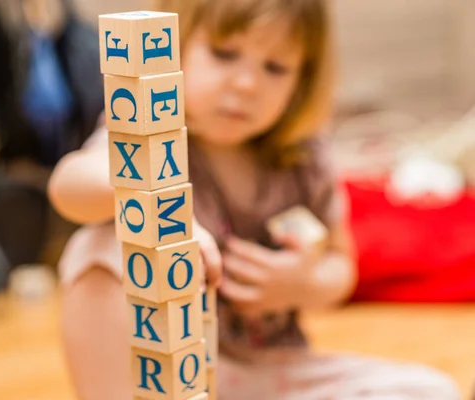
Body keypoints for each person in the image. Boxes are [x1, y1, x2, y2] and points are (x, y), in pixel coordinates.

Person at [47, 0, 460, 398]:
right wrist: (155, 205)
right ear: (173, 45)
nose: (246, 84)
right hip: (166, 376)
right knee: (98, 247)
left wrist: (302, 283)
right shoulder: (148, 132)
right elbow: (68, 186)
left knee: (432, 390)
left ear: (303, 80)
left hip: (270, 371)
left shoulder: (304, 157)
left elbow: (341, 266)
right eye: (225, 54)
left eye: (275, 67)